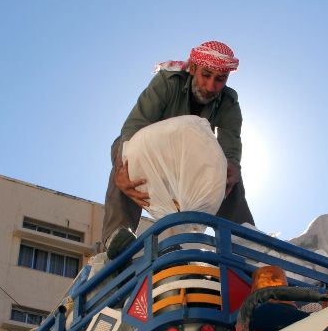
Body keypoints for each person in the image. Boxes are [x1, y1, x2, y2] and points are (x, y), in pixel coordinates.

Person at [101, 40, 255, 258]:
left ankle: (246, 242)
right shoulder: (167, 82)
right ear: (192, 69)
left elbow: (230, 147)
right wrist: (122, 169)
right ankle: (115, 238)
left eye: (220, 80)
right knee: (122, 151)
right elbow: (134, 126)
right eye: (206, 75)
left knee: (228, 172)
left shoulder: (228, 102)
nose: (211, 86)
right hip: (154, 158)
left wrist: (230, 169)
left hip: (188, 164)